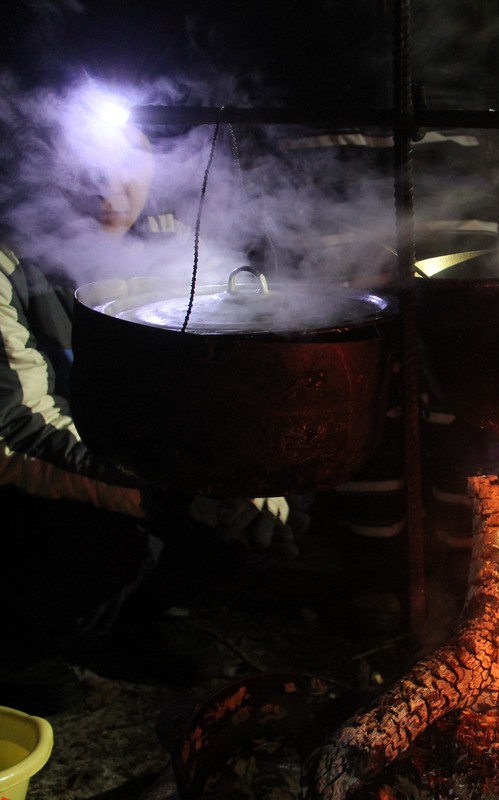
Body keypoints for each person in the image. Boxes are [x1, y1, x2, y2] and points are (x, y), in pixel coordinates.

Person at [0, 87, 305, 714]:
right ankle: (17, 646)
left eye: (125, 167)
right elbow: (15, 431)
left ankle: (119, 628)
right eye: (85, 171)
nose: (110, 193)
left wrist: (242, 464)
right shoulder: (10, 261)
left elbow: (229, 355)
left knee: (268, 500)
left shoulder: (169, 237)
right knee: (106, 546)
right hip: (39, 490)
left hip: (143, 466)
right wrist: (164, 488)